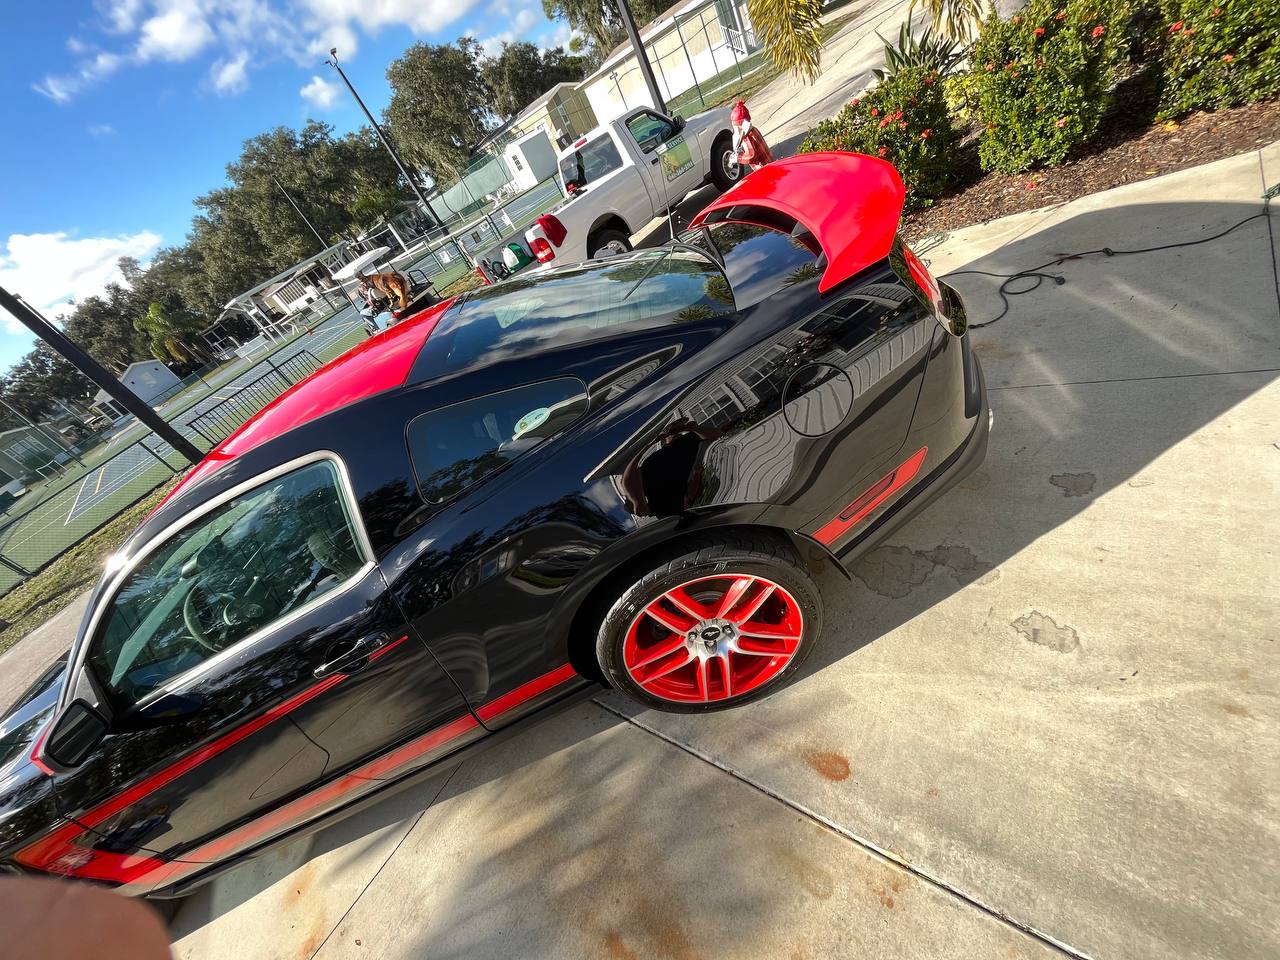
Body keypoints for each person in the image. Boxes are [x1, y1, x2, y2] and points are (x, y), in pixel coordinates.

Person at [731, 99, 774, 172]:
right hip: (770, 163)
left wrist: (737, 158)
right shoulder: (753, 130)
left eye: (736, 127)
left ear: (740, 126)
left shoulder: (747, 137)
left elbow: (751, 156)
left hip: (763, 170)